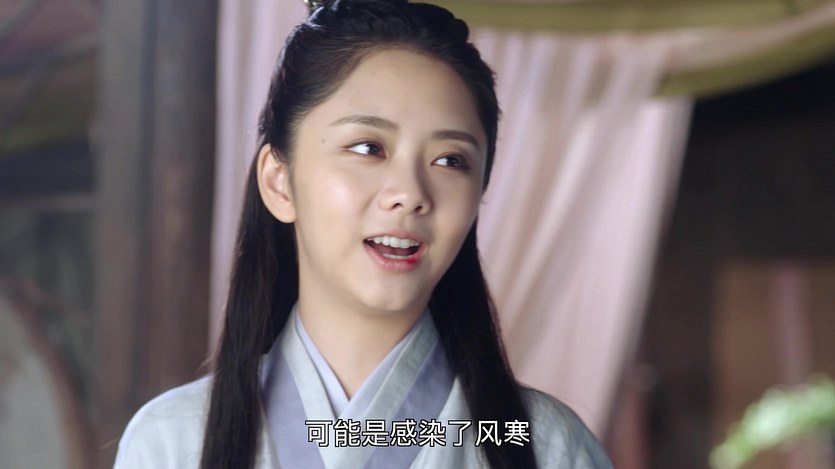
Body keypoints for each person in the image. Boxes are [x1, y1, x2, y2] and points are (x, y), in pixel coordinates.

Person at [114, 0, 612, 467]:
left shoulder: (543, 445)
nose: (410, 193)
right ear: (279, 181)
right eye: (368, 148)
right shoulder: (172, 442)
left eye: (450, 160)